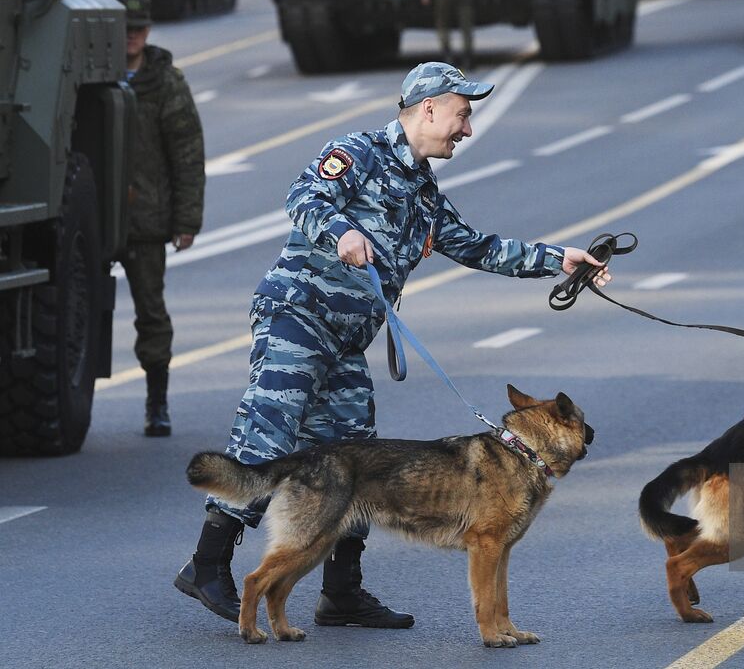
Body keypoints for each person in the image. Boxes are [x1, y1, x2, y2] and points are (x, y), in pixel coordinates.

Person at [174, 61, 613, 629]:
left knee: (356, 455)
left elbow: (477, 246)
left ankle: (341, 592)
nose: (467, 129)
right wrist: (341, 230)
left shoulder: (424, 192)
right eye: (462, 115)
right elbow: (304, 197)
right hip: (299, 316)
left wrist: (559, 260)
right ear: (428, 108)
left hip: (347, 339)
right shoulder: (358, 153)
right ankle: (207, 564)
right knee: (270, 430)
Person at [116, 0, 205, 437]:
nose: (131, 37)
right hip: (89, 218)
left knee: (151, 312)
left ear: (148, 31)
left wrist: (186, 221)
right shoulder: (89, 74)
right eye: (124, 29)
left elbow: (187, 154)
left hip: (145, 219)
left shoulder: (165, 82)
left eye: (138, 29)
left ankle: (157, 402)